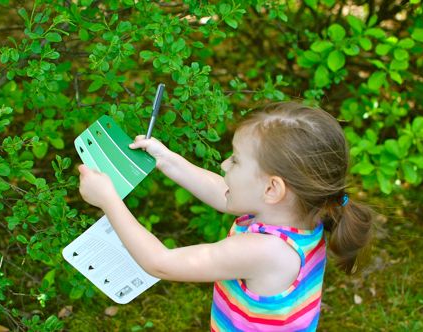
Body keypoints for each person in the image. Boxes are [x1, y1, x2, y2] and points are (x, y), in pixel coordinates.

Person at [78, 101, 374, 331]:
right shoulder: (306, 212)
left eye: (235, 160)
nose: (223, 164)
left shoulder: (265, 250)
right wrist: (167, 160)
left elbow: (161, 263)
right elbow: (223, 193)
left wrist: (108, 200)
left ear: (272, 188)